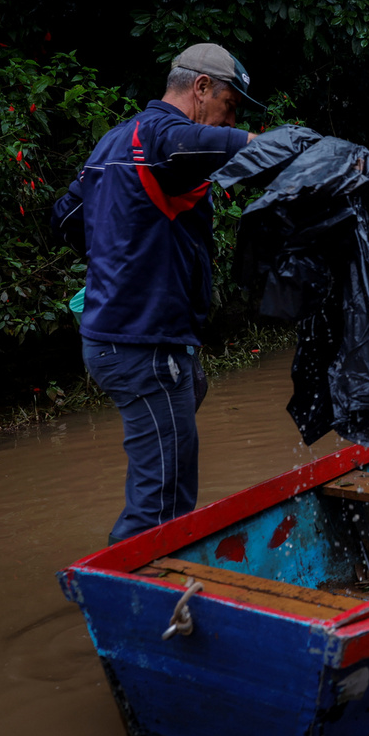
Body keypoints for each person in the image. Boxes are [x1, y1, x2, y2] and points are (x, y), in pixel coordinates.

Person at [76, 43, 260, 544]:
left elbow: (67, 220)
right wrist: (293, 147)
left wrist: (123, 251)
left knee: (184, 406)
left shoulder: (109, 145)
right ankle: (131, 599)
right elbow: (206, 143)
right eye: (230, 105)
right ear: (200, 88)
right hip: (143, 345)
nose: (229, 118)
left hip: (115, 339)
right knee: (164, 501)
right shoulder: (162, 136)